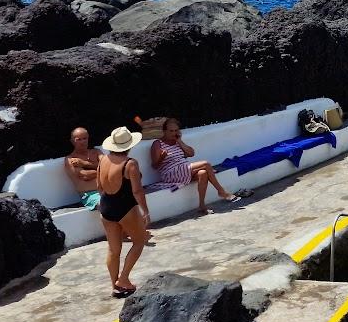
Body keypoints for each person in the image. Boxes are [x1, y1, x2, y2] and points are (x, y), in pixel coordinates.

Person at [95, 126, 149, 298]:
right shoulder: (130, 164)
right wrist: (145, 211)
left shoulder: (102, 159)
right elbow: (137, 191)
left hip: (106, 207)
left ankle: (115, 286)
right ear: (129, 145)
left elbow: (99, 187)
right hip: (125, 207)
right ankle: (124, 279)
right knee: (139, 241)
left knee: (113, 249)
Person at [151, 117, 241, 216]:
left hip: (183, 169)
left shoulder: (177, 142)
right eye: (171, 131)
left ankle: (202, 206)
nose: (174, 133)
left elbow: (191, 153)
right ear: (164, 131)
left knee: (203, 173)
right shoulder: (157, 144)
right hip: (170, 173)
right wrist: (162, 157)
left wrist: (180, 141)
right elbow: (155, 166)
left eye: (176, 130)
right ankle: (221, 191)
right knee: (206, 164)